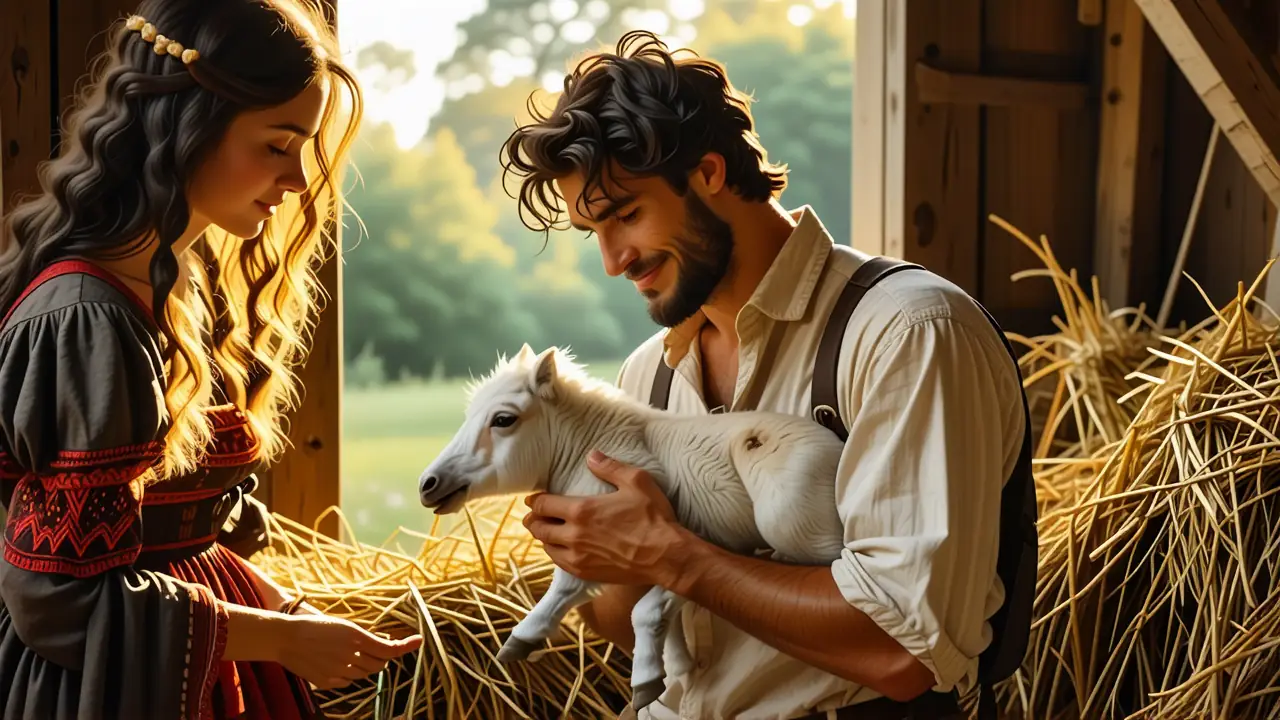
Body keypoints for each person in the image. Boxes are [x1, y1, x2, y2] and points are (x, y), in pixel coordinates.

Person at [499, 30, 1027, 720]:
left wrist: (671, 554)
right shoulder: (646, 377)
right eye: (593, 231)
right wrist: (599, 555)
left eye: (626, 215)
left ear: (709, 173)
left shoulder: (908, 332)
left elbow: (903, 652)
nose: (613, 260)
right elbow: (628, 628)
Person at [0, 2, 423, 719]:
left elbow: (176, 534)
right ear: (187, 126)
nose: (295, 182)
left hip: (195, 673)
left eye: (304, 150)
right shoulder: (86, 317)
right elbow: (60, 599)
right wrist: (280, 640)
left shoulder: (176, 285)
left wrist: (282, 612)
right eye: (277, 145)